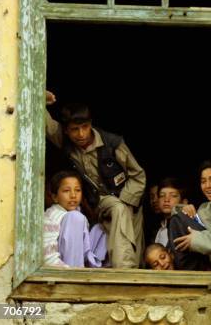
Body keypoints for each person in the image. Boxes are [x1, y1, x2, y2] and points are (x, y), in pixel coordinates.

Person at [45, 90, 145, 268]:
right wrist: (40, 96)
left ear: (91, 124)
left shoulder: (112, 144)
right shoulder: (66, 141)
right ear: (66, 131)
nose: (81, 134)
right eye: (74, 129)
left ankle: (127, 278)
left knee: (134, 253)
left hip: (128, 201)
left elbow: (138, 176)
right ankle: (121, 276)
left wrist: (125, 202)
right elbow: (45, 123)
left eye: (84, 127)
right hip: (97, 202)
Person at [171, 160, 211, 271]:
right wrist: (182, 209)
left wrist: (196, 240)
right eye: (203, 181)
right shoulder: (205, 207)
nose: (207, 186)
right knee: (177, 219)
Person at [43, 171, 107, 268]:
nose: (73, 195)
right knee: (75, 217)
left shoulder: (79, 213)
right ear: (55, 197)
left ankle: (92, 267)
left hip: (80, 262)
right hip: (64, 269)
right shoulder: (52, 216)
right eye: (66, 191)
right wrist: (67, 271)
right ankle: (76, 272)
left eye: (77, 190)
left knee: (101, 228)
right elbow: (47, 255)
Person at [154, 178, 188, 247]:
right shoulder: (159, 227)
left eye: (173, 196)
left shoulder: (185, 225)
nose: (166, 200)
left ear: (184, 202)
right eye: (162, 195)